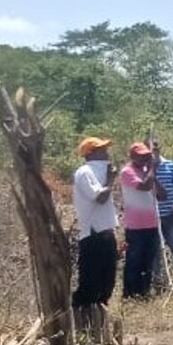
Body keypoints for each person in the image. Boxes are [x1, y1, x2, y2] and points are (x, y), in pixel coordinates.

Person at [71, 137, 119, 325]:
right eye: (101, 149)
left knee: (108, 281)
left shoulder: (99, 171)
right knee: (90, 283)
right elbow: (99, 198)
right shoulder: (85, 172)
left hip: (106, 232)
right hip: (93, 234)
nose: (106, 152)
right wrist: (110, 180)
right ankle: (80, 321)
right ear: (90, 153)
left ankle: (99, 323)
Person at [119, 142, 161, 300]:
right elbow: (144, 186)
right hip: (135, 225)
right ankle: (130, 294)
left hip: (151, 223)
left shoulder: (145, 170)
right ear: (132, 156)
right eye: (141, 156)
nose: (144, 158)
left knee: (147, 260)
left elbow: (158, 192)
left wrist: (151, 168)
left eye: (147, 155)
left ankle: (144, 293)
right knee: (134, 261)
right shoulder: (127, 172)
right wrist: (152, 167)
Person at [151, 139, 173, 288]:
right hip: (151, 218)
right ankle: (158, 281)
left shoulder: (170, 166)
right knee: (156, 251)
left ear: (158, 150)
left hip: (169, 215)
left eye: (154, 149)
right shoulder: (144, 169)